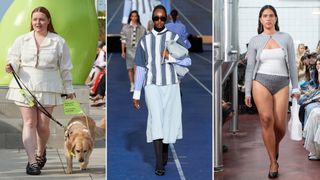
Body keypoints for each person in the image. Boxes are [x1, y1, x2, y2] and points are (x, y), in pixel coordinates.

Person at [4, 6, 75, 175]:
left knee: (43, 126)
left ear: (48, 21)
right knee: (29, 123)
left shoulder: (59, 41)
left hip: (49, 86)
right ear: (31, 21)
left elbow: (65, 68)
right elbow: (14, 58)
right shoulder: (22, 40)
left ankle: (40, 152)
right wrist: (11, 65)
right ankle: (32, 162)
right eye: (35, 19)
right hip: (24, 86)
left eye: (42, 19)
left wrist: (69, 89)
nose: (38, 22)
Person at [132, 5, 191, 176]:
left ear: (166, 19)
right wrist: (137, 94)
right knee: (156, 119)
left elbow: (188, 62)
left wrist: (170, 58)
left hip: (171, 84)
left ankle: (164, 152)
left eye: (162, 18)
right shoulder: (145, 40)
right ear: (152, 19)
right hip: (151, 85)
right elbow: (141, 68)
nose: (159, 21)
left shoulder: (174, 37)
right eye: (156, 18)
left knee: (168, 120)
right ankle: (159, 163)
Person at [244, 5, 300, 179]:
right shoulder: (255, 40)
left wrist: (296, 87)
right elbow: (250, 67)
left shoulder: (286, 38)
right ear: (260, 19)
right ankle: (273, 162)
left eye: (271, 15)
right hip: (260, 81)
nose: (268, 19)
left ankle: (274, 147)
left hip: (282, 83)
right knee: (266, 119)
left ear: (276, 18)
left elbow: (292, 64)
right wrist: (247, 91)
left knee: (280, 126)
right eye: (265, 16)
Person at [120, 10, 146, 92]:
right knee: (129, 68)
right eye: (132, 16)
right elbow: (123, 40)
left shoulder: (142, 28)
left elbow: (144, 41)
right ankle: (132, 84)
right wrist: (123, 51)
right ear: (130, 17)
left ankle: (136, 85)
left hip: (138, 50)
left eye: (136, 16)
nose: (134, 18)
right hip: (129, 50)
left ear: (138, 17)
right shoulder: (125, 28)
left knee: (136, 68)